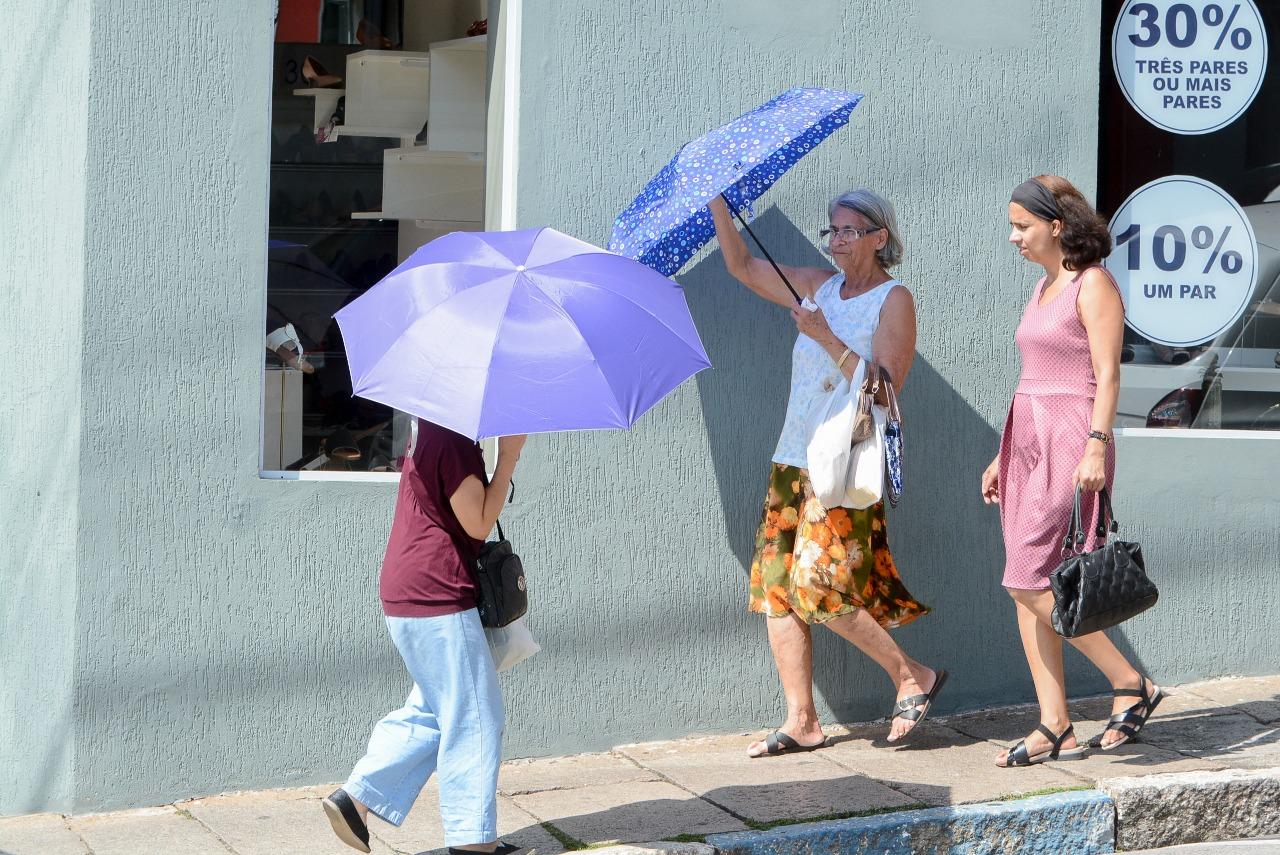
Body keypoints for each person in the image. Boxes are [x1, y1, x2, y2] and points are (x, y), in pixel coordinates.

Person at [707, 190, 946, 754]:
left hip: (839, 464)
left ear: (878, 238)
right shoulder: (816, 285)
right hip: (792, 457)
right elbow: (741, 265)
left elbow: (886, 389)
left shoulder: (893, 299)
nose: (836, 242)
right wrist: (715, 201)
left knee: (820, 585)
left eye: (847, 232)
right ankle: (802, 720)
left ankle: (914, 676)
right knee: (775, 590)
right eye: (831, 232)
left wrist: (825, 337)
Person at [983, 175, 1163, 768]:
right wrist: (1000, 456)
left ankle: (1130, 681)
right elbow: (1032, 371)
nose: (1013, 237)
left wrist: (1095, 446)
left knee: (1026, 578)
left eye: (1022, 225)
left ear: (1055, 227)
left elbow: (1108, 376)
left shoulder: (1094, 284)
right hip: (1027, 436)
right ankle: (1054, 721)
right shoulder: (1041, 288)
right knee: (1024, 580)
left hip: (1074, 435)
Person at [323, 419, 526, 853]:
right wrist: (508, 457)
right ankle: (473, 842)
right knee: (474, 719)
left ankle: (357, 798)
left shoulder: (435, 431)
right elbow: (476, 523)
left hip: (414, 589)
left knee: (434, 710)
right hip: (437, 593)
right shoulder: (451, 438)